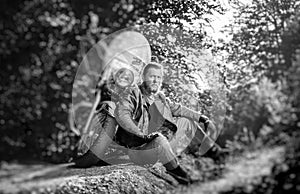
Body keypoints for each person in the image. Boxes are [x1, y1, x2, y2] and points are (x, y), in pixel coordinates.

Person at [114, 61, 216, 184]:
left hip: (163, 144)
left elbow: (178, 109)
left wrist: (202, 118)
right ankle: (180, 175)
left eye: (158, 77)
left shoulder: (159, 97)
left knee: (187, 122)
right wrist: (141, 134)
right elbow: (122, 115)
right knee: (159, 140)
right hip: (139, 149)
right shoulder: (132, 93)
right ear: (143, 77)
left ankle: (214, 153)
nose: (156, 80)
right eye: (152, 76)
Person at [71, 67, 137, 168]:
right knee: (110, 106)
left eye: (127, 78)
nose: (124, 78)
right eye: (122, 76)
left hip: (118, 122)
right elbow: (95, 101)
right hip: (101, 114)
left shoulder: (129, 93)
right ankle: (88, 149)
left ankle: (119, 149)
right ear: (116, 76)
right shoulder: (106, 86)